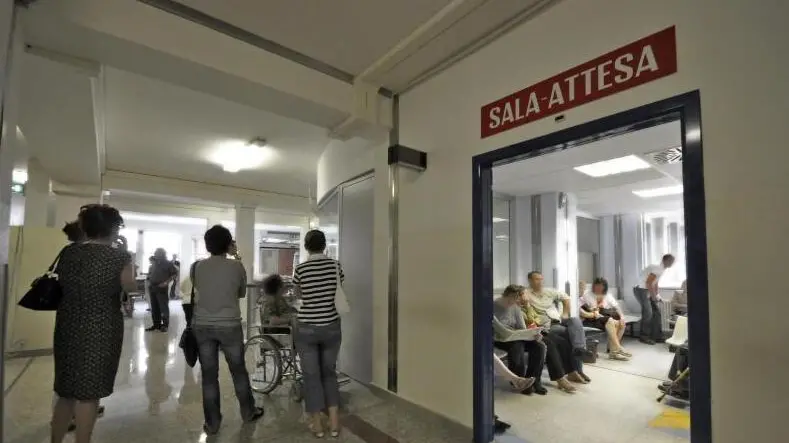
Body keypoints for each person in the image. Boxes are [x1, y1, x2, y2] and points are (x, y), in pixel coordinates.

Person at [51, 205, 136, 443]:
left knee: (66, 392)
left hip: (67, 324)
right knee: (88, 394)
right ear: (113, 228)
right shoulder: (119, 257)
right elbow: (130, 287)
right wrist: (126, 256)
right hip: (101, 327)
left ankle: (54, 440)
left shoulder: (68, 253)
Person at [191, 225, 263, 434]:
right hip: (229, 324)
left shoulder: (197, 267)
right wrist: (236, 255)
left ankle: (212, 423)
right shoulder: (237, 267)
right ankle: (248, 412)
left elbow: (200, 289)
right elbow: (241, 293)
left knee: (209, 375)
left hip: (202, 325)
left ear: (207, 244)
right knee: (238, 371)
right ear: (228, 244)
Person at [293, 229, 345, 437]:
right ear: (324, 246)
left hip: (307, 328)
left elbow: (298, 294)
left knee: (311, 375)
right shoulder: (335, 266)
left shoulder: (301, 269)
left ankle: (317, 425)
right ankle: (334, 423)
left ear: (306, 247)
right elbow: (338, 290)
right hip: (331, 325)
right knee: (329, 373)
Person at [524, 271, 591, 382]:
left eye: (541, 279)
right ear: (530, 281)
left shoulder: (549, 291)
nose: (540, 282)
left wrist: (564, 314)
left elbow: (566, 298)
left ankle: (580, 349)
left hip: (558, 319)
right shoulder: (526, 294)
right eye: (537, 279)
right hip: (548, 325)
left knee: (575, 321)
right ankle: (577, 370)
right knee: (571, 336)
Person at [518, 292, 582, 392]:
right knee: (550, 344)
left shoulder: (528, 306)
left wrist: (531, 312)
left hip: (538, 330)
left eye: (525, 295)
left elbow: (536, 319)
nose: (526, 297)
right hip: (526, 334)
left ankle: (571, 372)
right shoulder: (517, 308)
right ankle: (560, 378)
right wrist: (528, 308)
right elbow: (530, 321)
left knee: (562, 342)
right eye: (523, 295)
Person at [493, 285, 547, 396]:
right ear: (508, 295)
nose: (515, 302)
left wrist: (533, 335)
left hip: (515, 336)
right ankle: (519, 380)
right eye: (514, 299)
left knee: (539, 346)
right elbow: (496, 329)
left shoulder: (515, 307)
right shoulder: (492, 306)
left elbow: (522, 328)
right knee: (517, 345)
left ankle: (534, 381)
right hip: (498, 338)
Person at [580, 278, 631, 360]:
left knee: (621, 324)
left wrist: (622, 317)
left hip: (602, 317)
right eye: (596, 286)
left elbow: (616, 307)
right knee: (612, 321)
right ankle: (617, 349)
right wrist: (594, 309)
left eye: (600, 287)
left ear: (604, 287)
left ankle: (613, 351)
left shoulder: (607, 295)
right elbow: (586, 310)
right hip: (593, 318)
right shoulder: (587, 295)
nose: (598, 289)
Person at [634, 254, 675, 344]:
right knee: (648, 313)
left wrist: (657, 296)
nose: (673, 263)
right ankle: (644, 337)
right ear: (665, 261)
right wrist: (653, 296)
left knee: (657, 312)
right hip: (640, 289)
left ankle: (657, 336)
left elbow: (655, 283)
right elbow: (648, 283)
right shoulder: (658, 268)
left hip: (646, 289)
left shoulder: (661, 269)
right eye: (671, 261)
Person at [146, 248, 178, 332]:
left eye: (157, 253)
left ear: (162, 254)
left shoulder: (168, 264)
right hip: (152, 287)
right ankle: (156, 325)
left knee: (163, 307)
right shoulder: (154, 264)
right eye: (155, 253)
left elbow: (174, 274)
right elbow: (150, 274)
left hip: (162, 288)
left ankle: (165, 325)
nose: (155, 255)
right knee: (154, 307)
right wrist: (149, 280)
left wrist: (166, 282)